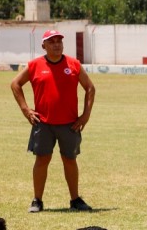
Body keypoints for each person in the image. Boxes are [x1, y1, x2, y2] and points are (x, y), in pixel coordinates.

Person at [10, 29, 96, 212]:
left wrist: (85, 115)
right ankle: (37, 200)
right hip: (43, 123)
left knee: (70, 159)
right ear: (44, 45)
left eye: (59, 41)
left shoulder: (73, 64)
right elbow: (15, 84)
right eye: (52, 41)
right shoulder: (34, 65)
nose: (56, 44)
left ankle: (75, 200)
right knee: (42, 160)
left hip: (70, 124)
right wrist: (26, 110)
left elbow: (90, 88)